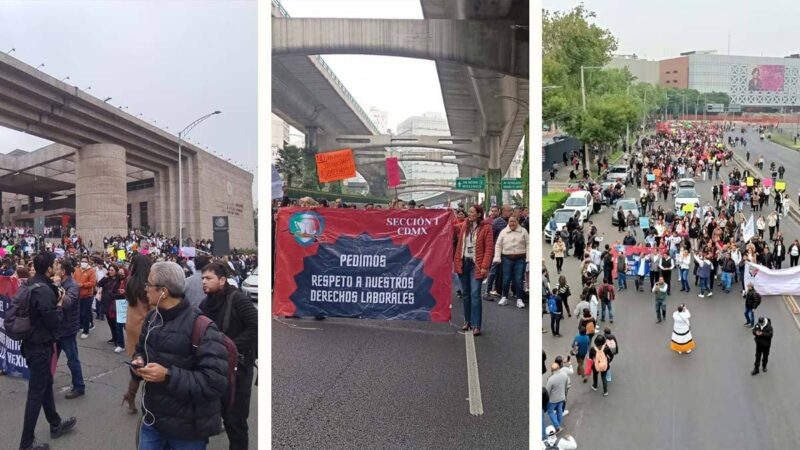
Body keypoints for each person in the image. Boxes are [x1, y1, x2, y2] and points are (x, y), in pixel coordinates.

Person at [132, 262, 229, 449]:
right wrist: (138, 361)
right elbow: (140, 350)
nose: (145, 289)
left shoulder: (202, 327)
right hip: (152, 419)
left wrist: (167, 375)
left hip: (188, 429)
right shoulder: (152, 319)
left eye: (149, 284)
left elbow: (214, 382)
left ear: (164, 292)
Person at [18, 252, 77, 450]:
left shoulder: (29, 284)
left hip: (31, 344)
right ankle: (26, 443)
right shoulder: (43, 290)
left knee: (46, 384)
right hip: (40, 347)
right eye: (54, 264)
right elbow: (54, 322)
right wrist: (59, 305)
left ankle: (55, 423)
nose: (56, 267)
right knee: (36, 394)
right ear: (48, 268)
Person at [199, 263, 258, 450]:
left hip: (239, 370)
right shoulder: (205, 303)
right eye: (202, 278)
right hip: (215, 369)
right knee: (217, 414)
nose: (204, 282)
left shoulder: (238, 299)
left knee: (236, 421)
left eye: (208, 278)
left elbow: (255, 325)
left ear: (222, 280)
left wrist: (231, 347)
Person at [454, 205, 494, 336]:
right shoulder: (465, 225)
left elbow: (489, 248)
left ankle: (477, 325)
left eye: (472, 212)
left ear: (478, 214)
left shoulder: (486, 227)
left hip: (476, 265)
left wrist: (485, 266)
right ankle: (468, 321)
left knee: (475, 294)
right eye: (469, 212)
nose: (469, 214)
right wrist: (446, 217)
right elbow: (453, 230)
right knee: (466, 294)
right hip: (463, 263)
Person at [121, 254, 153, 414]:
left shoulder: (130, 282)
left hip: (131, 325)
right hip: (144, 326)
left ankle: (130, 395)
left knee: (136, 360)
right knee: (149, 364)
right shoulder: (148, 285)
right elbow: (152, 308)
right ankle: (147, 402)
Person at [53, 259, 85, 399]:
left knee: (72, 359)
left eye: (58, 268)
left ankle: (79, 386)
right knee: (51, 358)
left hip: (67, 329)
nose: (55, 271)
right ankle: (45, 383)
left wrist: (56, 287)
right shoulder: (62, 283)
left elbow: (67, 303)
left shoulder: (72, 285)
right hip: (57, 328)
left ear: (63, 271)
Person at [493, 215, 528, 308]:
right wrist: (497, 257)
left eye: (514, 221)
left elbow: (528, 244)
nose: (512, 223)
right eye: (510, 221)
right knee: (506, 279)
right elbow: (498, 245)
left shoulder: (523, 231)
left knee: (519, 280)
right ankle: (504, 297)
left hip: (520, 258)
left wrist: (528, 258)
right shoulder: (503, 232)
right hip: (507, 258)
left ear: (517, 222)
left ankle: (519, 299)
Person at [73, 255, 96, 339]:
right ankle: (80, 327)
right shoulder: (77, 270)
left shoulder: (91, 271)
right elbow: (73, 279)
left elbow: (93, 283)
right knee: (79, 313)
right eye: (82, 261)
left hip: (87, 296)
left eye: (85, 261)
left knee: (85, 313)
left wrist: (82, 285)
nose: (83, 263)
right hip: (78, 295)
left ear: (88, 262)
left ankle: (86, 331)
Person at [545, 363, 569, 434]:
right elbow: (565, 387)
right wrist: (565, 396)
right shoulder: (565, 376)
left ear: (552, 370)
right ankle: (558, 423)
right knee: (559, 410)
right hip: (562, 397)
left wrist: (546, 401)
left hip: (553, 400)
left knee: (550, 412)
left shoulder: (551, 379)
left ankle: (557, 427)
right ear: (559, 368)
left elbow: (547, 391)